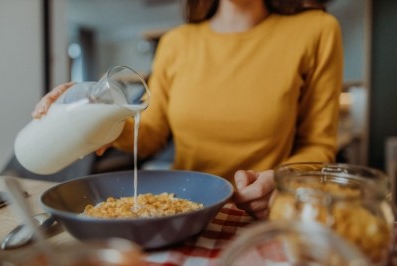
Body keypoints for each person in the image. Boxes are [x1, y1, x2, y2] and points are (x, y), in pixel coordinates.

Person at [32, 0, 343, 219]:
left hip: (266, 214)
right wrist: (95, 117)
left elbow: (318, 144)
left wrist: (284, 182)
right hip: (181, 211)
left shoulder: (317, 30)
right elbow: (150, 132)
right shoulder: (175, 43)